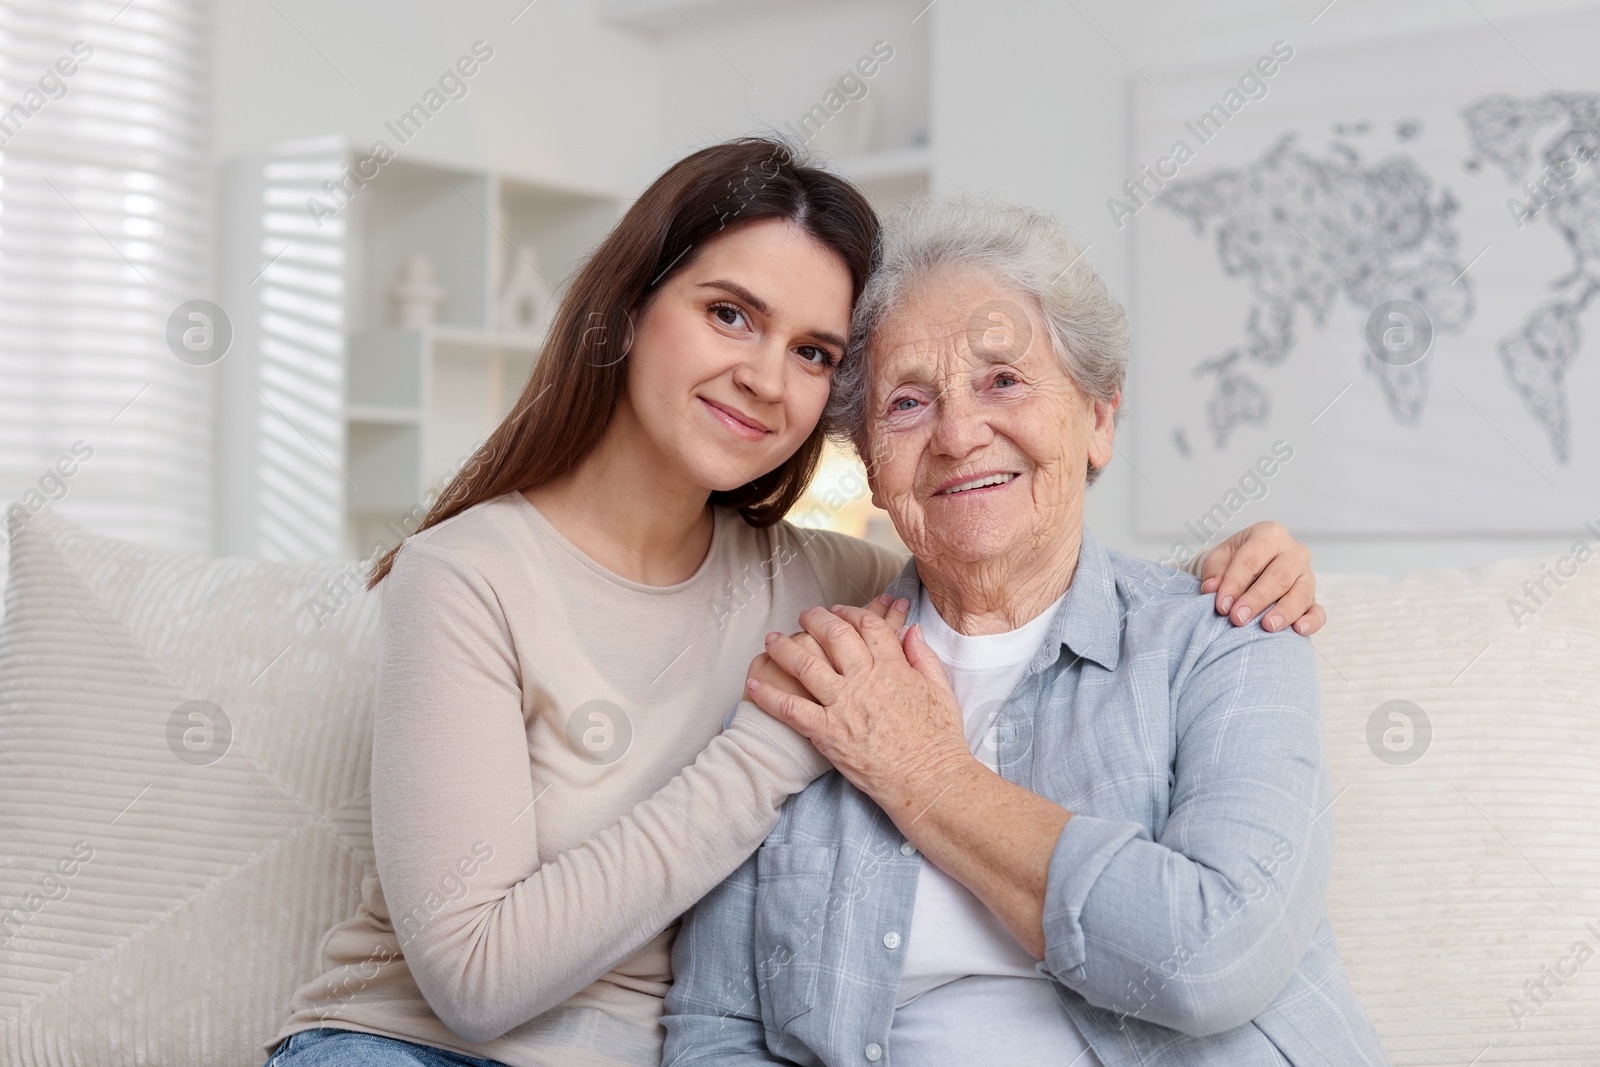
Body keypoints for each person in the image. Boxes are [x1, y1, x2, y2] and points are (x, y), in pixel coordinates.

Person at [263, 141, 1326, 1067]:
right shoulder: (487, 579)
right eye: (730, 313)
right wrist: (778, 743)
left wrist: (1229, 569)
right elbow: (505, 983)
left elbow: (1005, 558)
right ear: (628, 309)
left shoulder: (833, 586)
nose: (766, 380)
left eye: (813, 352)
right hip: (412, 1045)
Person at [662, 195, 1386, 1066]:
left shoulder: (1230, 635)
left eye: (1003, 380)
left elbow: (1214, 958)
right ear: (872, 468)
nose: (961, 435)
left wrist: (924, 774)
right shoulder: (812, 682)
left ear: (1099, 420)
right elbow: (715, 1028)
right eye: (908, 404)